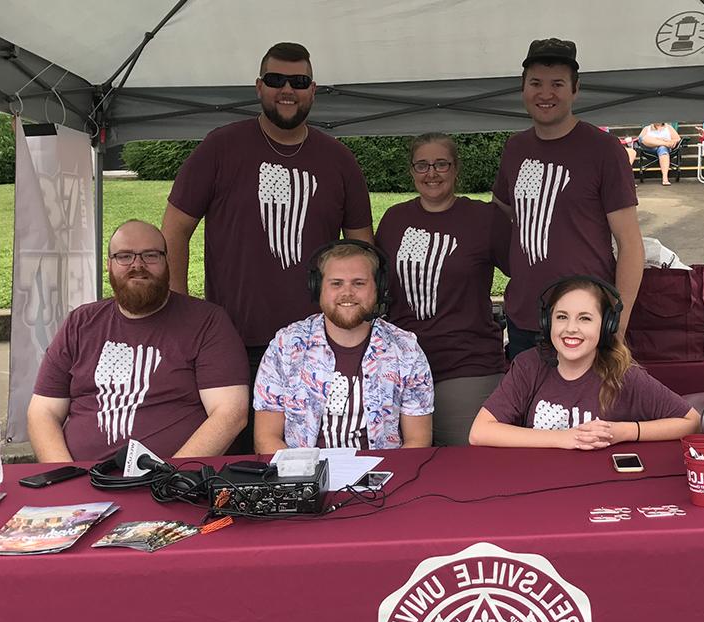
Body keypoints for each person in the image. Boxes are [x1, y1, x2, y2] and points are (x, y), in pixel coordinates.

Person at [161, 42, 374, 443]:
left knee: (318, 456)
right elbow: (174, 229)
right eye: (276, 80)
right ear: (259, 87)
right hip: (232, 342)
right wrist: (180, 311)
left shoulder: (339, 159)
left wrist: (361, 324)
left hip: (319, 342)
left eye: (299, 81)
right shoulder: (220, 147)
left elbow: (363, 252)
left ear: (314, 89)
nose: (287, 89)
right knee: (240, 464)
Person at [27, 220, 250, 463]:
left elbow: (230, 413)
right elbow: (43, 411)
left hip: (173, 485)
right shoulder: (80, 323)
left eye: (151, 255)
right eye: (124, 256)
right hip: (85, 484)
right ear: (109, 264)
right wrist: (66, 480)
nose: (138, 265)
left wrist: (169, 479)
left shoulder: (207, 322)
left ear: (167, 262)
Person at [492, 38, 644, 360]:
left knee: (588, 412)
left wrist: (619, 322)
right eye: (536, 83)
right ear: (523, 89)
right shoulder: (515, 149)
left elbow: (630, 243)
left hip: (584, 321)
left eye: (557, 84)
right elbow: (498, 216)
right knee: (529, 411)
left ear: (575, 90)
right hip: (524, 318)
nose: (545, 94)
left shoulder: (604, 150)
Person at [375, 133, 510, 446]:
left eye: (440, 164)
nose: (431, 173)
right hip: (401, 366)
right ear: (411, 171)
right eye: (422, 165)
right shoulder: (395, 220)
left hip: (466, 364)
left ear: (455, 168)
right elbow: (376, 285)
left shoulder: (483, 218)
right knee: (404, 465)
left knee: (466, 466)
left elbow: (522, 271)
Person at [469, 276, 700, 449]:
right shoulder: (529, 366)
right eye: (561, 317)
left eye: (585, 319)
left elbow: (690, 421)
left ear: (606, 326)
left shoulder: (622, 374)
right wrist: (564, 438)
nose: (571, 328)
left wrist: (624, 431)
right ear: (547, 323)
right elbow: (480, 432)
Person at [253, 241, 433, 453]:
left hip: (383, 479)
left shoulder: (406, 349)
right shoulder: (286, 345)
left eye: (359, 283)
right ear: (317, 288)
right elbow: (266, 438)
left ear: (379, 288)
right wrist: (300, 481)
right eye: (336, 283)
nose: (347, 292)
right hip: (302, 478)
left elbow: (418, 442)